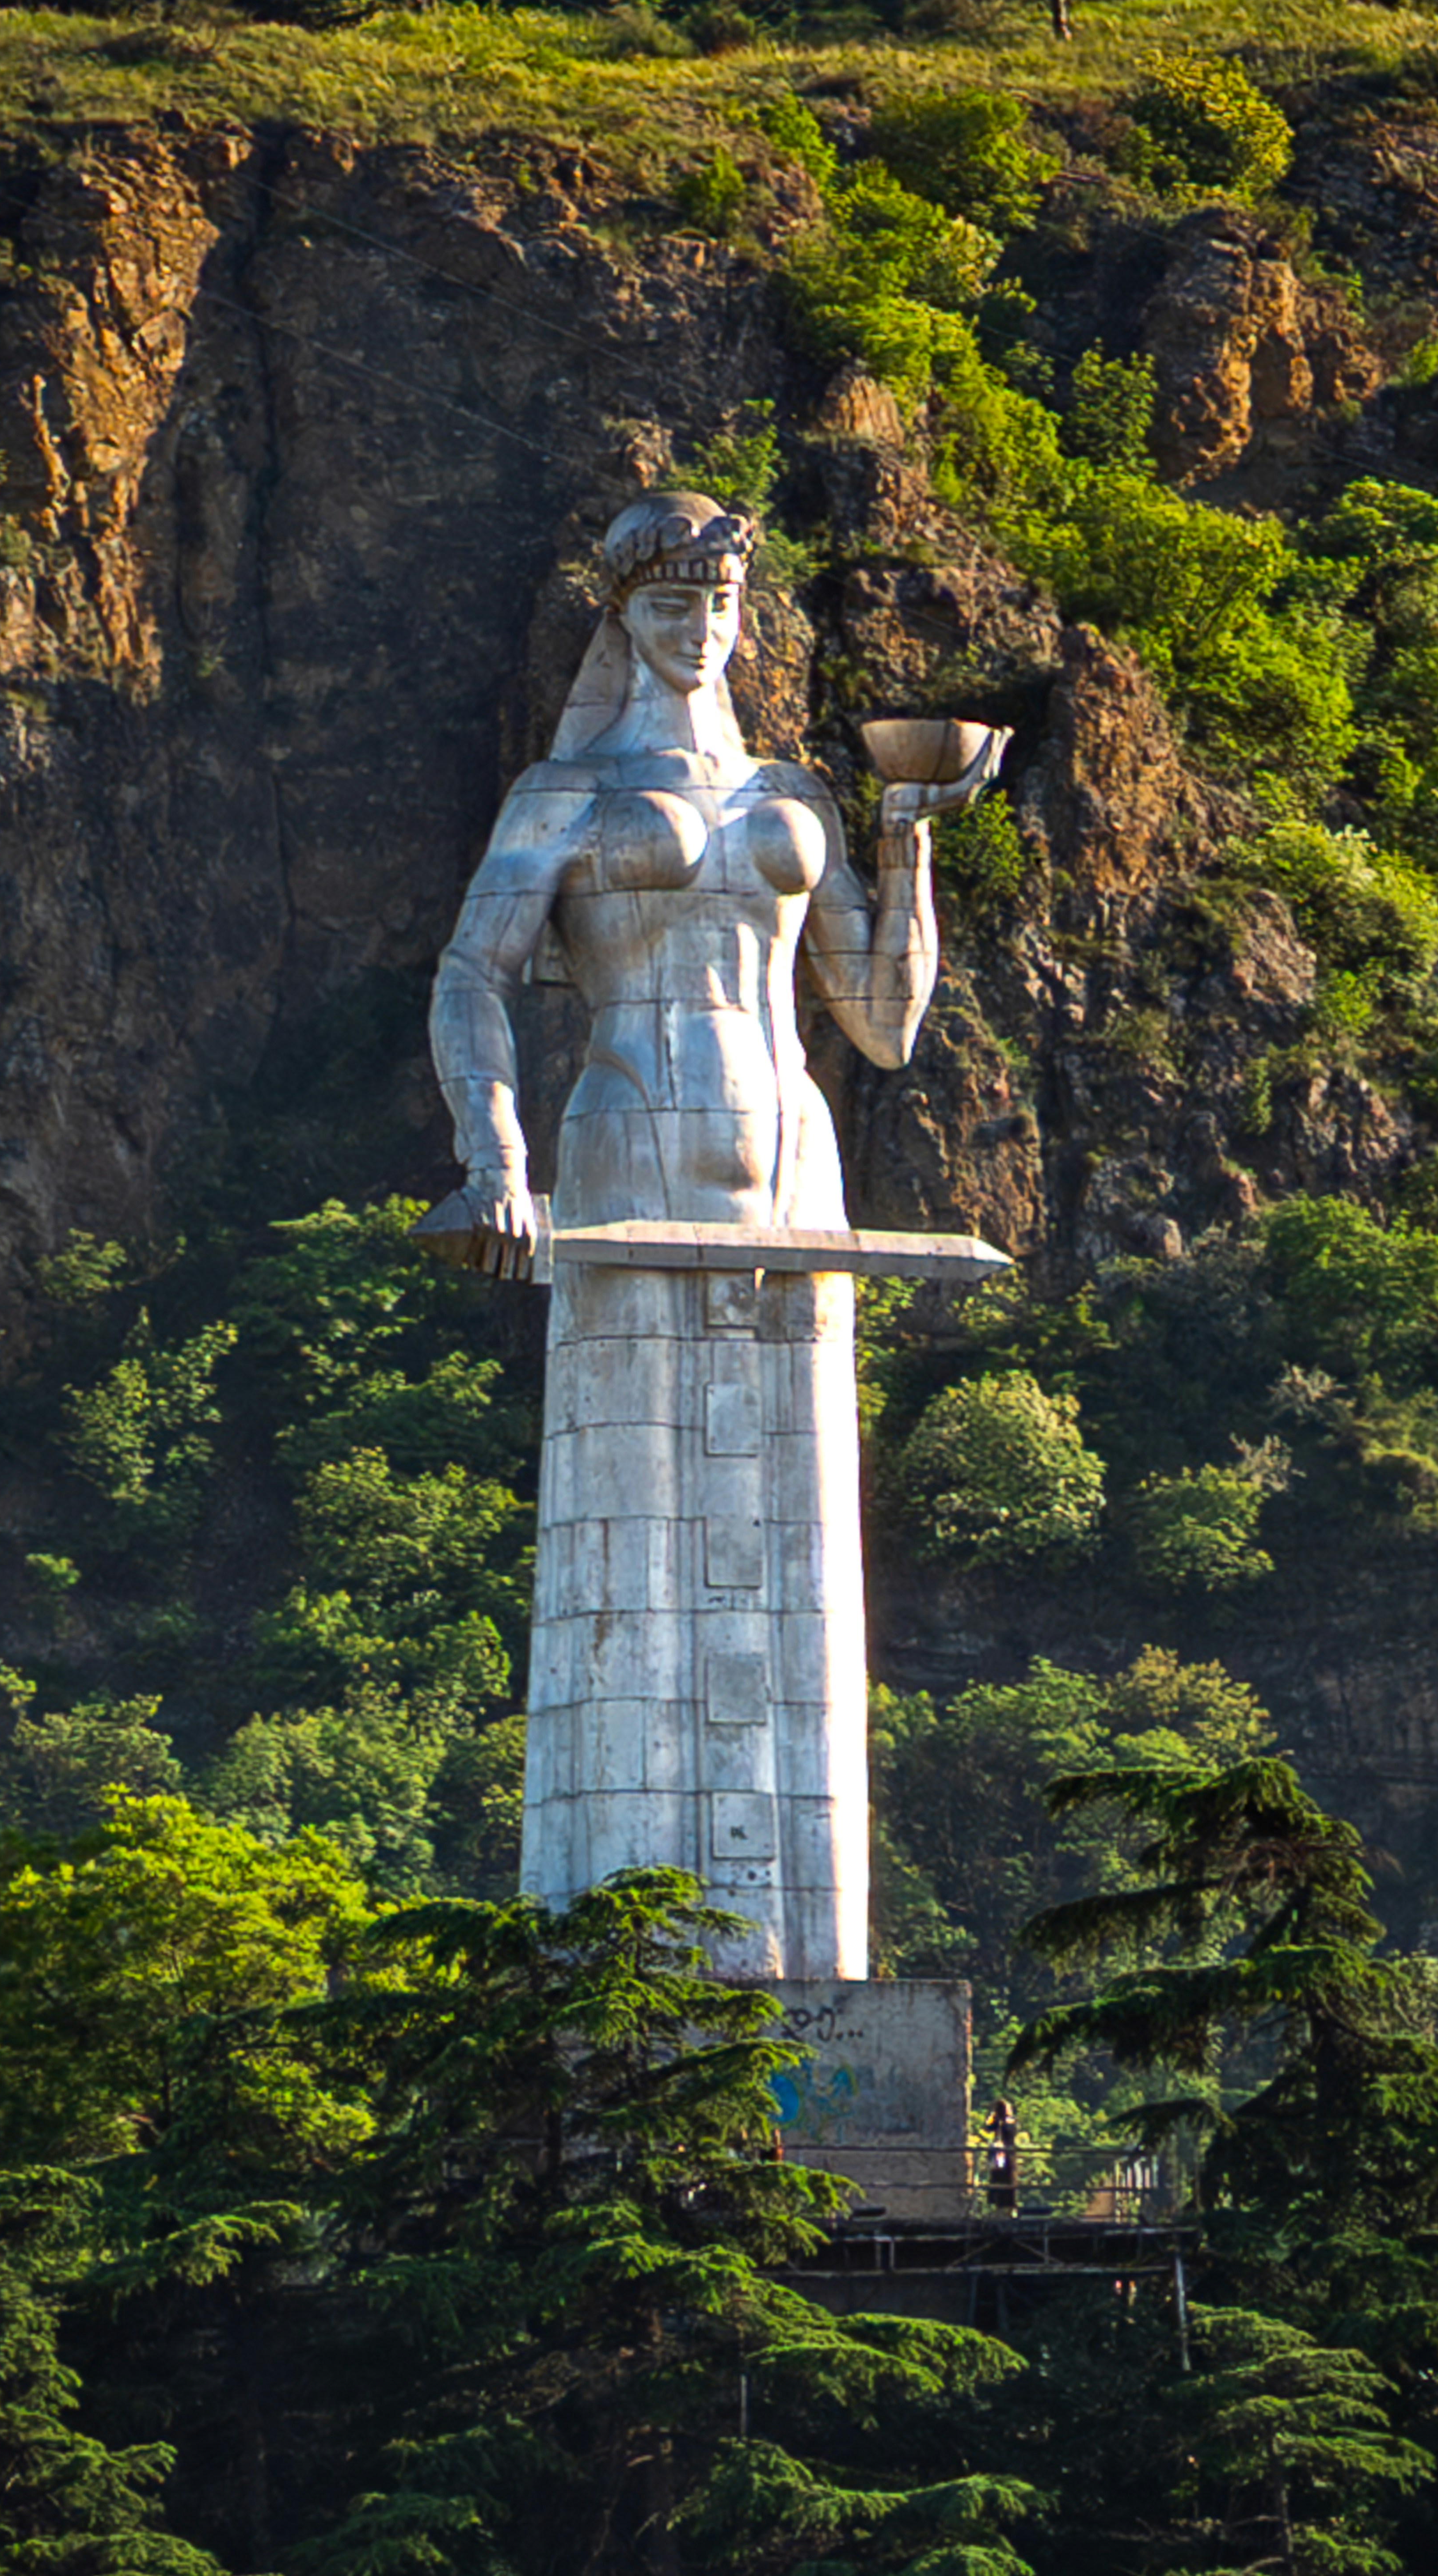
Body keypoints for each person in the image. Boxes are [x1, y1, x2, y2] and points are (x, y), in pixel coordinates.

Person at [429, 490, 993, 1977]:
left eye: (719, 604)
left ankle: (808, 1973)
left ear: (745, 618)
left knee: (801, 1561)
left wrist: (908, 842)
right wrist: (495, 1159)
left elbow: (881, 1021)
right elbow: (472, 975)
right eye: (669, 604)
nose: (697, 629)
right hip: (627, 1141)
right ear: (622, 618)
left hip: (792, 1163)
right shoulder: (564, 791)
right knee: (631, 1539)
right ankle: (625, 1978)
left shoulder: (794, 795)